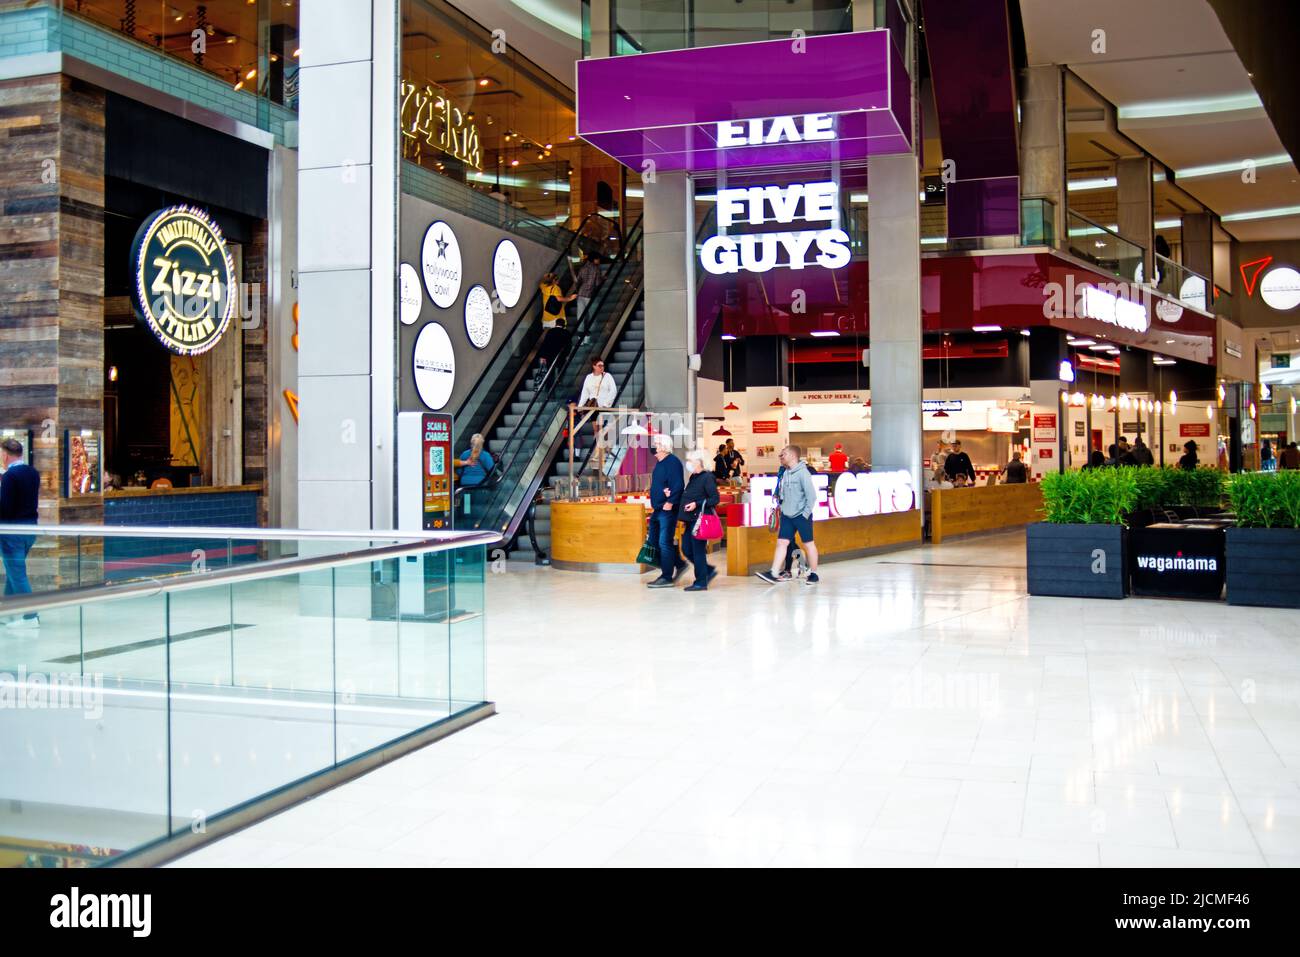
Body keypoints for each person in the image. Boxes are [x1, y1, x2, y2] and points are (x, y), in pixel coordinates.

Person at [756, 445, 820, 586]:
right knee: (782, 543)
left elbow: (812, 497)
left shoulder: (803, 473)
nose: (781, 456)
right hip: (786, 515)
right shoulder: (785, 473)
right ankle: (773, 572)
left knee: (808, 544)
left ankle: (814, 573)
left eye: (783, 454)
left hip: (801, 515)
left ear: (792, 456)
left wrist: (805, 514)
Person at [0, 437, 40, 629]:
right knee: (13, 571)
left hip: (11, 532)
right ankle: (7, 610)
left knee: (17, 573)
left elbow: (6, 508)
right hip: (29, 529)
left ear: (5, 455)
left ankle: (31, 616)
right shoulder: (32, 473)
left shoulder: (9, 477)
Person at [645, 436, 687, 588]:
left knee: (664, 542)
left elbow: (678, 484)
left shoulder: (672, 462)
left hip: (667, 509)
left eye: (656, 444)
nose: (653, 446)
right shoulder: (660, 463)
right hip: (658, 508)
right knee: (654, 541)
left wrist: (670, 501)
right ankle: (679, 563)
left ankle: (666, 577)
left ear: (663, 447)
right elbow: (664, 483)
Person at [677, 449, 720, 592]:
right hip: (690, 520)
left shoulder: (707, 477)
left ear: (699, 462)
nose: (688, 464)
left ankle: (701, 582)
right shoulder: (694, 477)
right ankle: (707, 571)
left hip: (700, 520)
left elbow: (715, 499)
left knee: (697, 551)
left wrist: (696, 503)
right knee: (686, 549)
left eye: (691, 461)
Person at [534, 272, 576, 389]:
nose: (558, 282)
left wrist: (548, 276)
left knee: (548, 339)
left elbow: (542, 281)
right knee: (560, 339)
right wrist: (570, 298)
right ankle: (559, 376)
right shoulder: (556, 288)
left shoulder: (544, 287)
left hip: (546, 318)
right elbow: (559, 298)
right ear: (555, 281)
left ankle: (544, 360)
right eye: (557, 280)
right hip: (556, 317)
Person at [573, 253, 604, 320]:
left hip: (581, 293)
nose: (599, 261)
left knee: (580, 314)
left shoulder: (582, 268)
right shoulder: (596, 269)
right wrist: (602, 278)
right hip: (590, 294)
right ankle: (592, 329)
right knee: (592, 315)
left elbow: (577, 281)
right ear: (594, 259)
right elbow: (597, 283)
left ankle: (580, 329)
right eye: (598, 259)